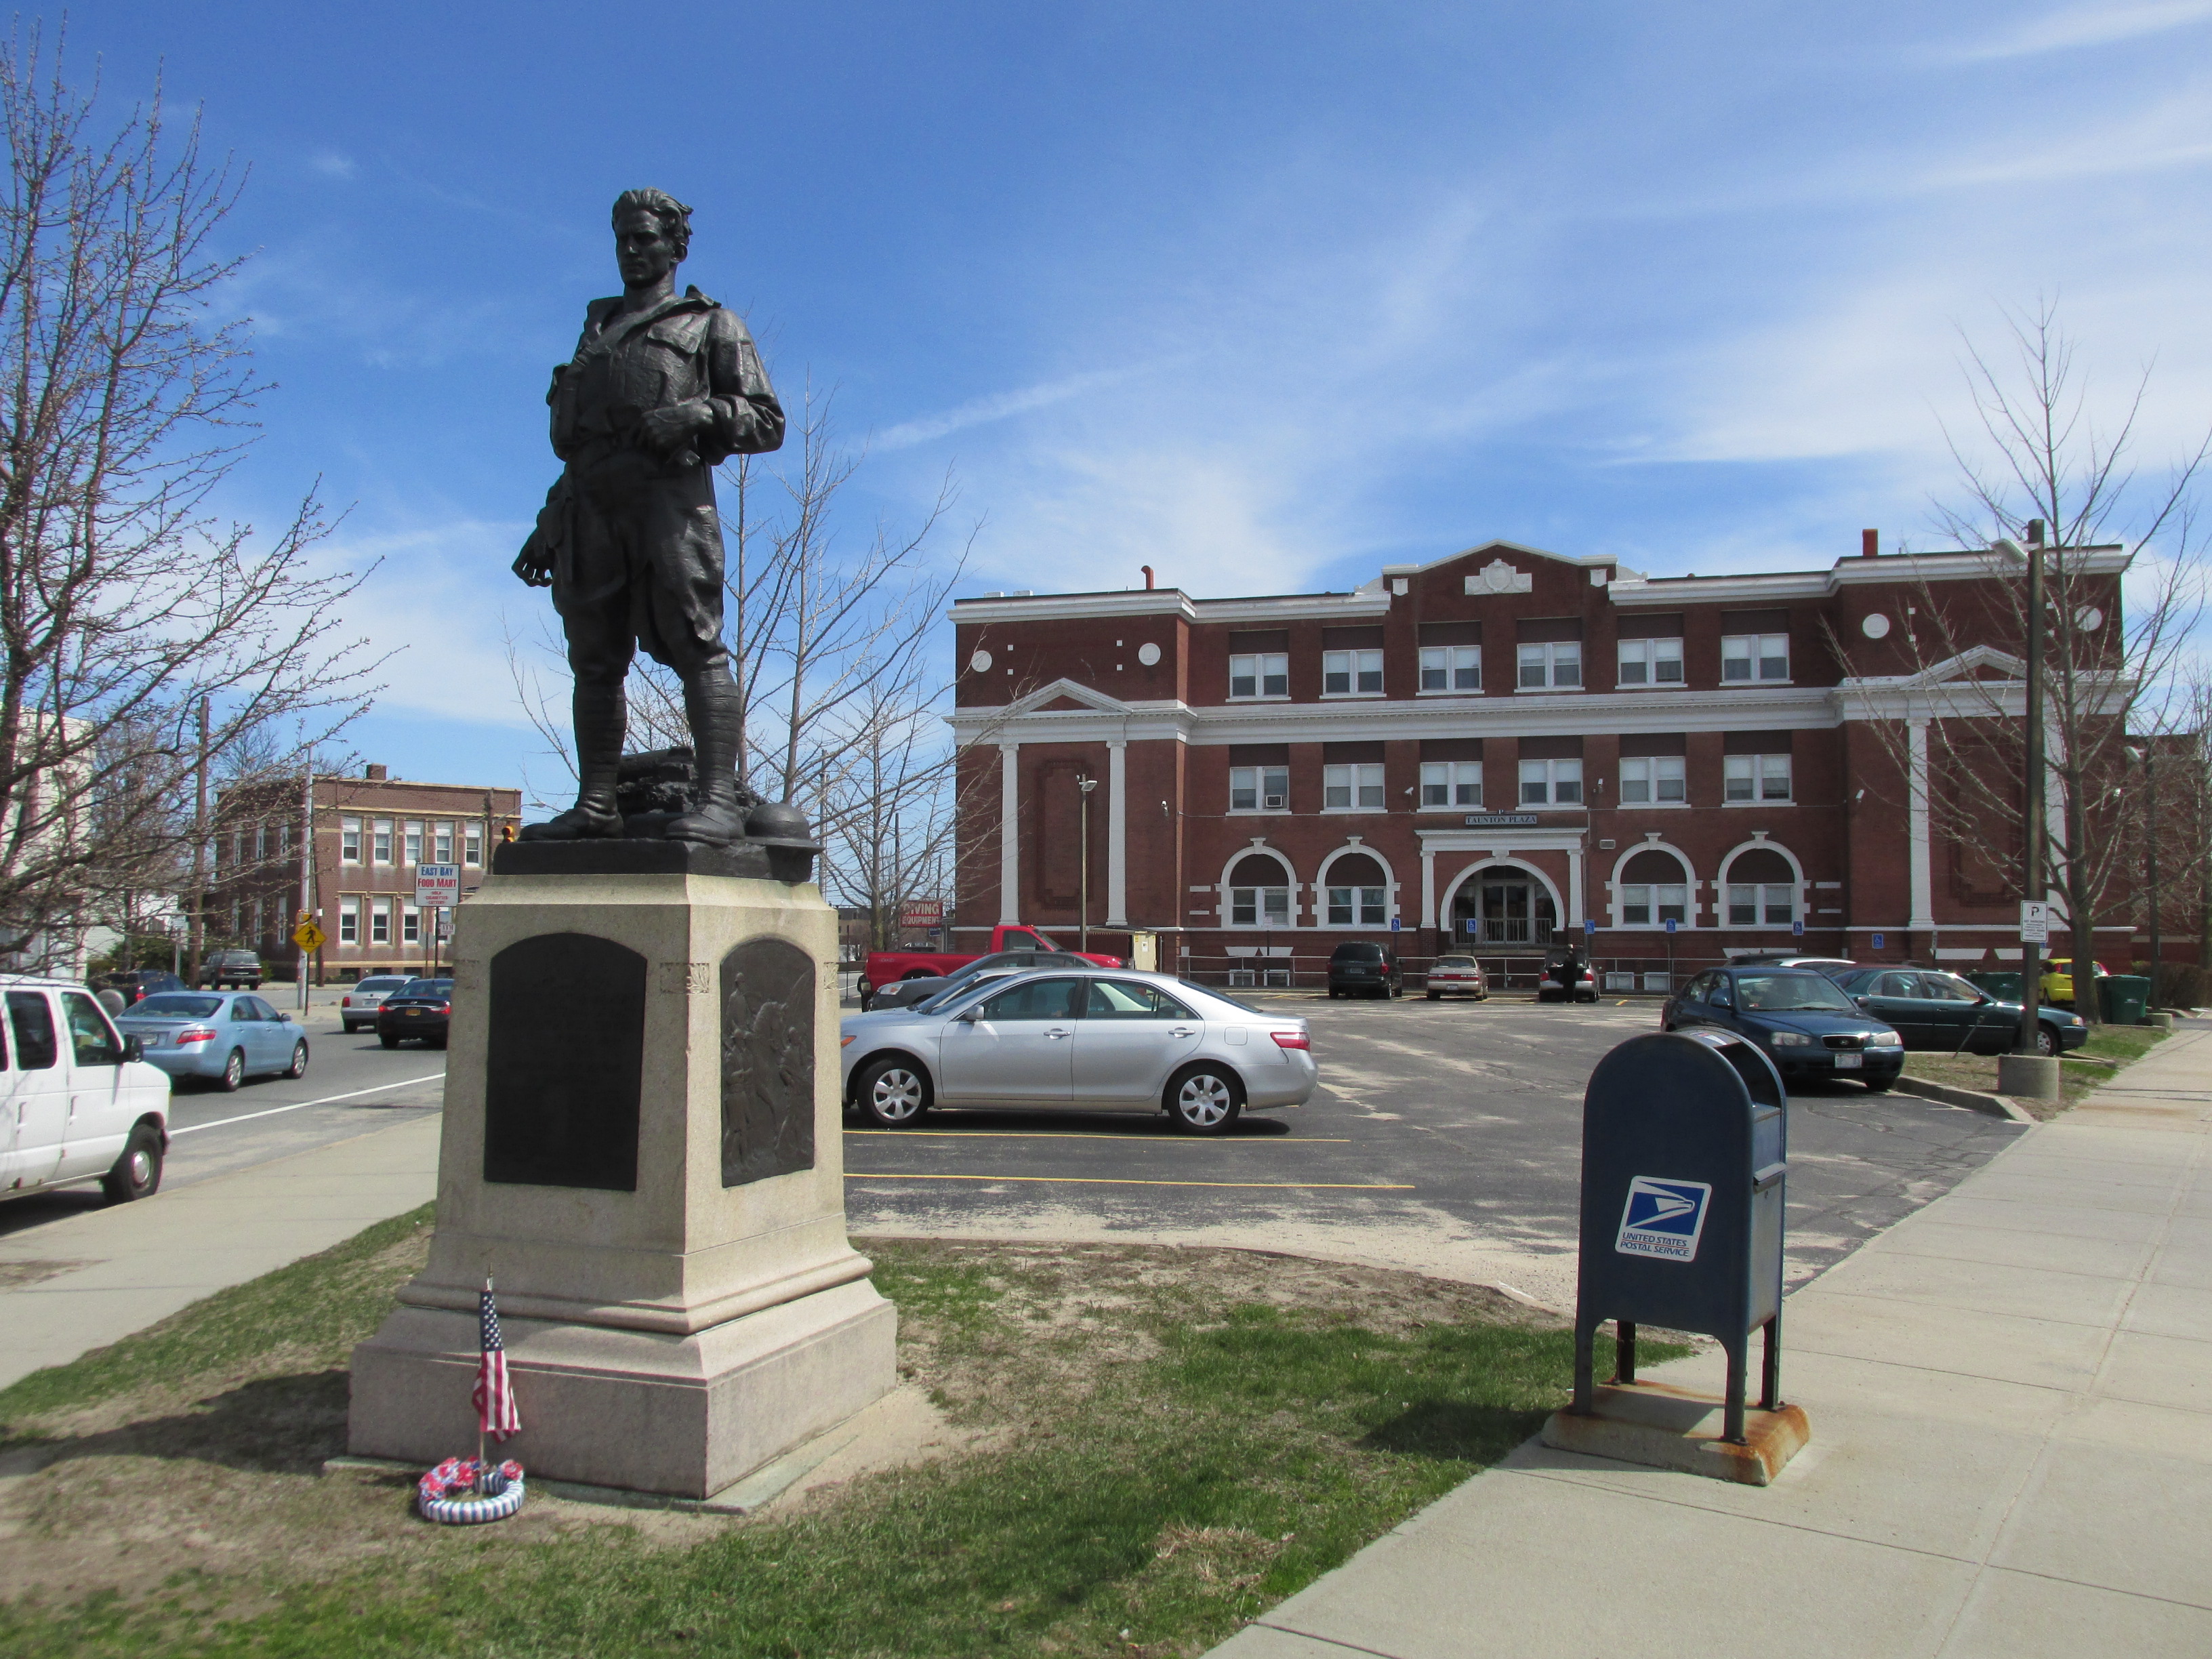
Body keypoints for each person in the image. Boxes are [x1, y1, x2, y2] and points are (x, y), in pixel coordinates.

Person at [513, 188, 785, 845]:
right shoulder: (594, 333)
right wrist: (550, 521)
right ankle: (597, 804)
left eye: (646, 239)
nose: (633, 251)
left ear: (675, 246)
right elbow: (580, 450)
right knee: (595, 662)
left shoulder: (711, 324)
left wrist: (702, 413)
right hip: (591, 513)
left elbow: (767, 421)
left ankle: (719, 799)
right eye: (623, 240)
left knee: (697, 647)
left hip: (670, 505)